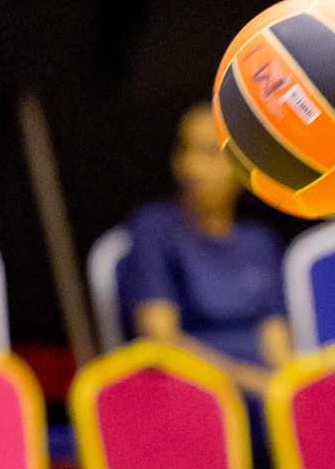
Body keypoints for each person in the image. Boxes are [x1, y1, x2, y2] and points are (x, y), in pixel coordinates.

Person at [119, 103, 292, 394]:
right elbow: (161, 340)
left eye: (211, 153)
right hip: (188, 395)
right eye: (185, 150)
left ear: (242, 166)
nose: (192, 167)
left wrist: (288, 390)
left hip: (264, 396)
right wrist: (247, 381)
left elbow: (277, 344)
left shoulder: (260, 241)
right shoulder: (154, 228)